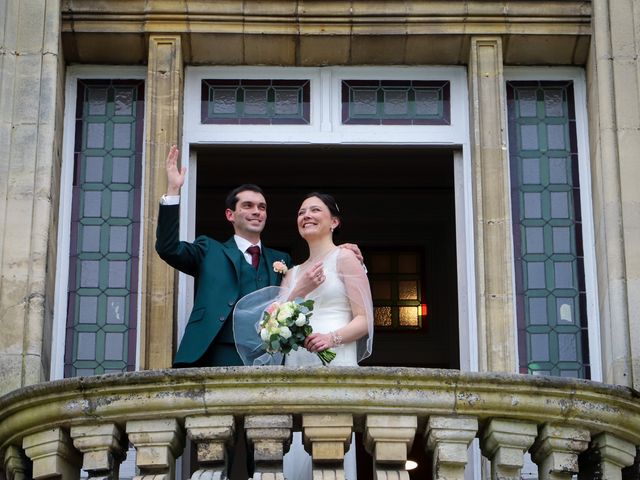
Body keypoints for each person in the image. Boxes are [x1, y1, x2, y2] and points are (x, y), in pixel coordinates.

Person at [234, 192, 374, 479]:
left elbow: (364, 321)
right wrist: (301, 289)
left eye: (315, 210)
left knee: (330, 450)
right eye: (301, 212)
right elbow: (269, 325)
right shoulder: (293, 272)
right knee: (296, 450)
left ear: (334, 221)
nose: (306, 215)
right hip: (297, 363)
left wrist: (330, 339)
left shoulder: (346, 258)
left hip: (335, 359)